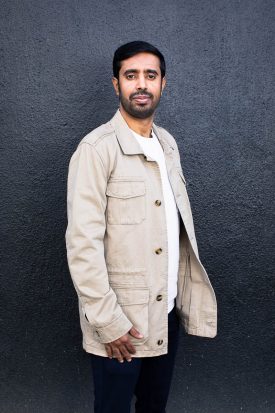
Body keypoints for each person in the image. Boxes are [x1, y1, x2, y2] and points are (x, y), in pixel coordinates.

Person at [65, 40, 217, 413]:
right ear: (116, 84)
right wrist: (109, 322)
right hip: (122, 325)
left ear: (164, 83)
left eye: (150, 75)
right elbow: (82, 244)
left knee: (154, 407)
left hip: (165, 317)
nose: (141, 84)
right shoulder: (96, 149)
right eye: (131, 75)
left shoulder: (167, 144)